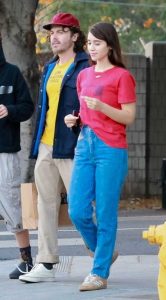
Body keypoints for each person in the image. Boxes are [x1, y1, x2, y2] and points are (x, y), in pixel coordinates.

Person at [64, 22, 136, 291]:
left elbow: (129, 116)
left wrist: (103, 106)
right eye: (89, 43)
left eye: (96, 43)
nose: (91, 48)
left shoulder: (122, 76)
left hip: (111, 148)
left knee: (105, 213)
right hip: (85, 144)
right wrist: (75, 119)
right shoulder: (84, 75)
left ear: (109, 45)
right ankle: (103, 251)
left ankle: (99, 272)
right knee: (77, 210)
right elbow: (87, 114)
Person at [19, 12, 89, 283]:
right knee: (44, 204)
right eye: (51, 32)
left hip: (73, 146)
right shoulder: (49, 67)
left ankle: (100, 252)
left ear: (74, 36)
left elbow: (90, 105)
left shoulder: (85, 66)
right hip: (46, 145)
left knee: (79, 206)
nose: (54, 36)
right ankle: (45, 264)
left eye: (61, 31)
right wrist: (38, 144)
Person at [0, 32, 34, 279]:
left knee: (12, 205)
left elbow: (27, 108)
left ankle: (27, 260)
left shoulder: (11, 73)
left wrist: (8, 109)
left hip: (5, 152)